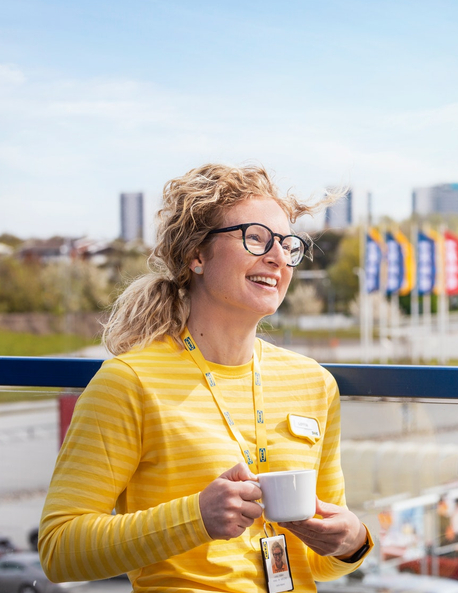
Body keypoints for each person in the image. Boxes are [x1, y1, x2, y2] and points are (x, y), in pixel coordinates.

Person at [39, 164, 373, 591]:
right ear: (196, 255)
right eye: (255, 238)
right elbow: (58, 550)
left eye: (288, 245)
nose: (277, 257)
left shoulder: (314, 383)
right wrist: (195, 517)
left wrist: (352, 542)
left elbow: (320, 563)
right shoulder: (128, 382)